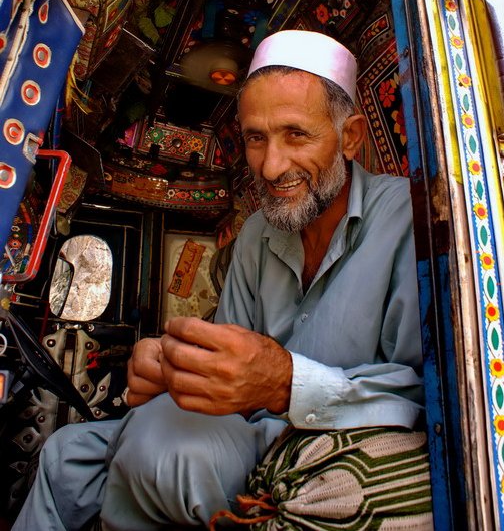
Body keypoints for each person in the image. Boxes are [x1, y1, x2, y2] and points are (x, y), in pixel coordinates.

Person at [13, 30, 425, 531]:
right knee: (66, 454)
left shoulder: (408, 219)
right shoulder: (257, 235)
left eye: (296, 134)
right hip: (247, 435)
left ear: (352, 137)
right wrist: (176, 370)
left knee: (161, 452)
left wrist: (285, 383)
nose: (272, 166)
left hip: (328, 451)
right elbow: (227, 383)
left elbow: (426, 395)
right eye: (256, 138)